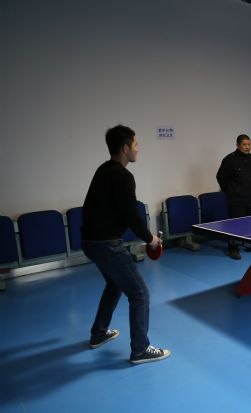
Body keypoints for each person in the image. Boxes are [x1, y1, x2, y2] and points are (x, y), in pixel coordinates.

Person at [81, 125, 170, 364]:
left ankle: (99, 333)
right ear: (125, 148)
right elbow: (132, 215)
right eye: (136, 144)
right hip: (106, 243)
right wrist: (151, 239)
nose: (138, 149)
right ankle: (140, 350)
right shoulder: (123, 176)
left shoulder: (103, 170)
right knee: (139, 293)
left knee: (115, 284)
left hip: (90, 241)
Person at [216, 134, 251, 260]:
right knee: (235, 227)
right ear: (237, 145)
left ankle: (250, 245)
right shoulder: (230, 159)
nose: (247, 147)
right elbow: (220, 177)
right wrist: (230, 191)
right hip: (236, 200)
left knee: (250, 225)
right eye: (244, 144)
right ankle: (233, 249)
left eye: (249, 144)